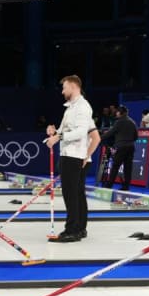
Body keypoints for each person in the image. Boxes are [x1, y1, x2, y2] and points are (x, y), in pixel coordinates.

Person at [45, 74, 94, 242]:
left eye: (64, 87)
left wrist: (59, 137)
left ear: (73, 87)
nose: (62, 91)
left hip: (73, 155)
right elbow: (62, 130)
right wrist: (54, 132)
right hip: (68, 154)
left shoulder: (82, 107)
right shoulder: (70, 108)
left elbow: (81, 132)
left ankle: (72, 230)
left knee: (71, 194)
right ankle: (80, 228)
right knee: (77, 193)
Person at [100, 105, 137, 191]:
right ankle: (126, 186)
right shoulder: (132, 122)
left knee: (115, 166)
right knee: (128, 168)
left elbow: (110, 133)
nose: (116, 113)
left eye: (117, 112)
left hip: (121, 147)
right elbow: (136, 136)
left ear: (120, 113)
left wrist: (100, 138)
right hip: (131, 147)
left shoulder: (119, 122)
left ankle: (109, 185)